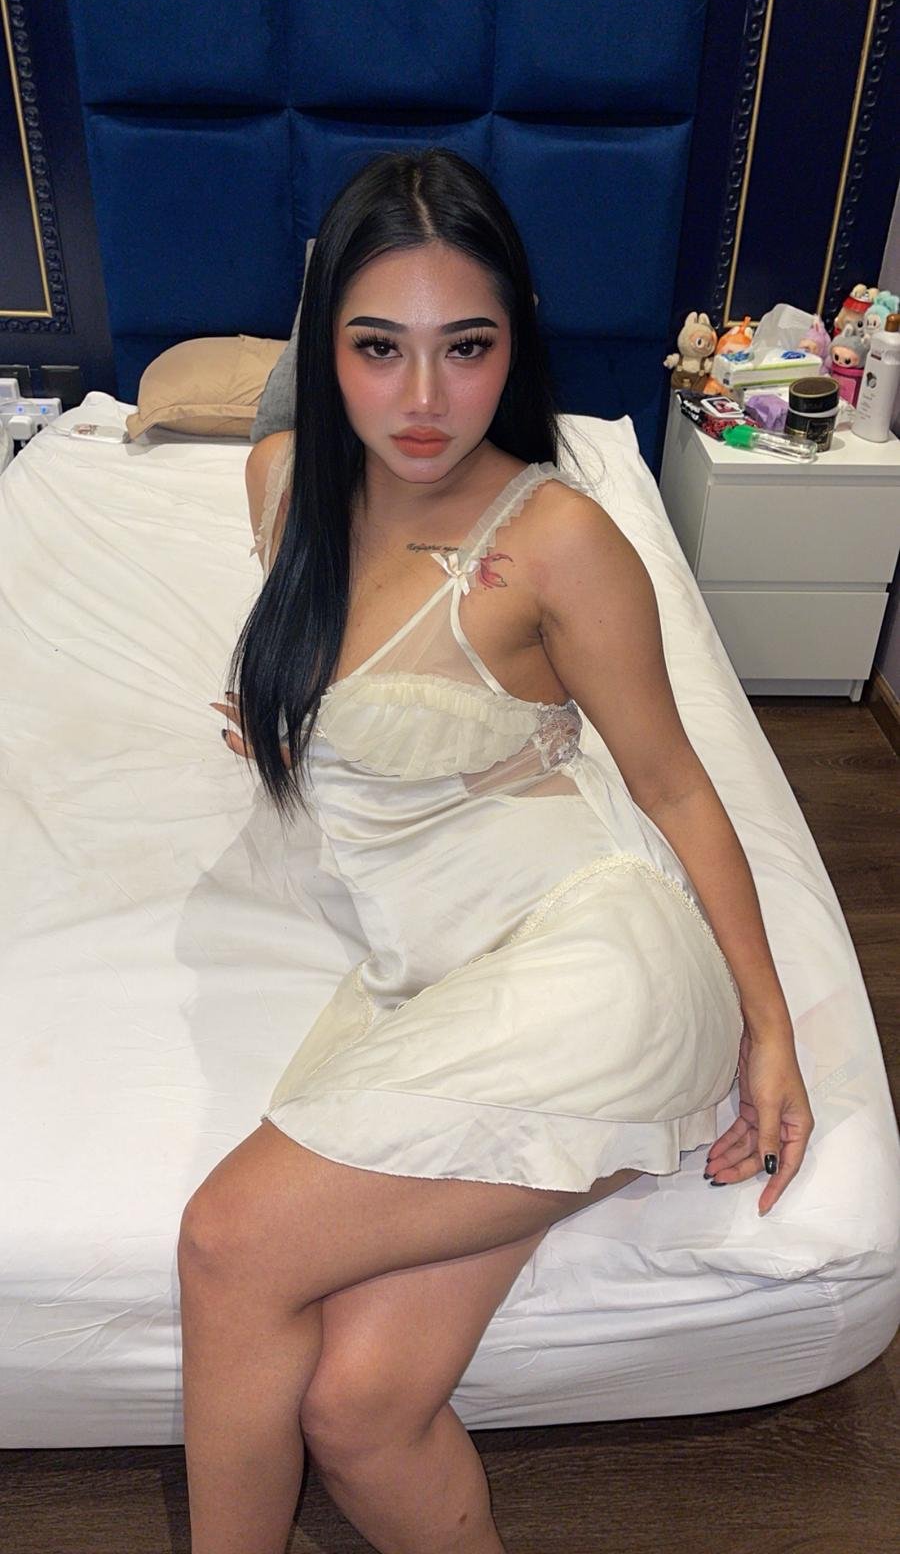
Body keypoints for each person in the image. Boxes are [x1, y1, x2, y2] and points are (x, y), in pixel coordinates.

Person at [187, 145, 815, 1554]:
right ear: (323, 350)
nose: (424, 400)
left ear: (515, 342)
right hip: (435, 974)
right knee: (361, 1406)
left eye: (466, 348)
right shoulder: (283, 487)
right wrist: (292, 720)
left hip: (590, 963)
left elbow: (678, 790)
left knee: (227, 1242)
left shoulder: (559, 541)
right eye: (378, 348)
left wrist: (771, 1033)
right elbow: (340, 679)